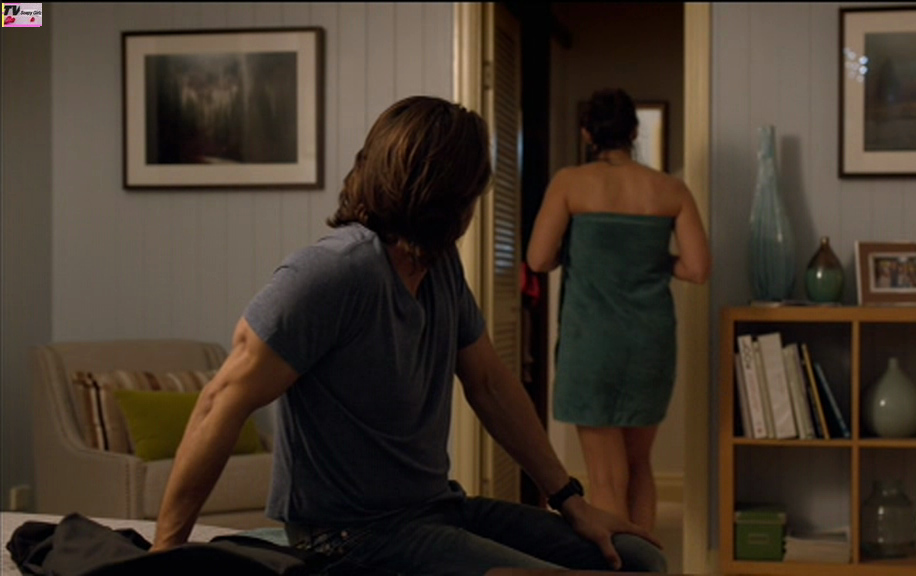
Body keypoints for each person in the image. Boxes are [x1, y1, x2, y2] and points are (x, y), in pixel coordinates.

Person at [150, 95, 667, 575]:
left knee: (637, 559)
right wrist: (163, 554)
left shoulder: (441, 266)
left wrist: (570, 500)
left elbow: (489, 384)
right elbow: (220, 402)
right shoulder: (331, 274)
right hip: (346, 536)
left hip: (435, 508)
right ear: (449, 198)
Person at [526, 88, 711, 533]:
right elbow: (697, 268)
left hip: (592, 345)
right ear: (633, 131)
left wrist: (583, 254)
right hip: (649, 344)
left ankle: (616, 565)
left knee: (607, 477)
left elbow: (538, 258)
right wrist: (651, 260)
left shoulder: (570, 183)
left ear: (587, 133)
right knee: (640, 465)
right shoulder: (670, 189)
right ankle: (646, 562)